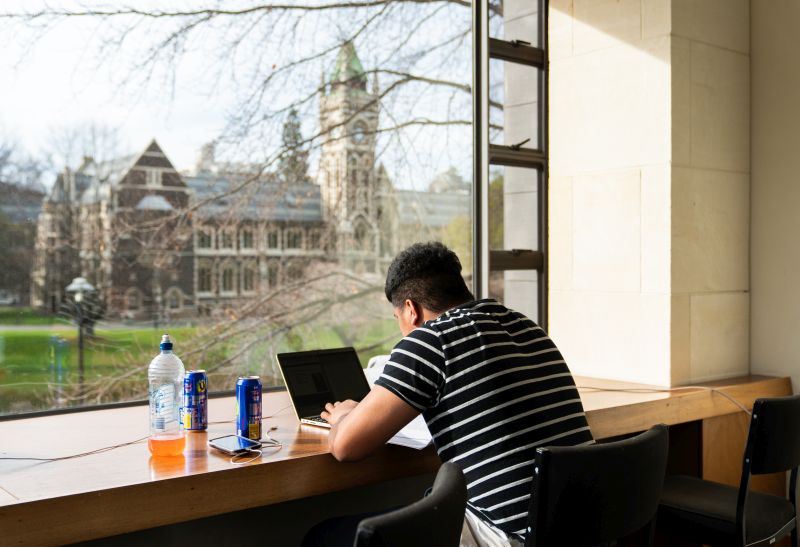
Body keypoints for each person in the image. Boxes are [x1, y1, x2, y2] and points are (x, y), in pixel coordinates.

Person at [307, 242, 593, 546]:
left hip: (511, 537)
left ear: (410, 310)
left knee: (323, 537)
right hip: (584, 529)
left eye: (397, 320)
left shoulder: (430, 341)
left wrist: (343, 416)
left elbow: (345, 447)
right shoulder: (527, 326)